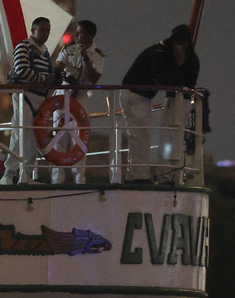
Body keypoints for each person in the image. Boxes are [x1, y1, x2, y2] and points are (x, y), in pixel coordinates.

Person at [120, 24, 200, 182]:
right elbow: (166, 80)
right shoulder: (159, 54)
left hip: (142, 96)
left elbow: (175, 80)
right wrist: (177, 63)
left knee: (146, 135)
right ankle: (140, 176)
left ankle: (142, 175)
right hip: (136, 95)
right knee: (143, 135)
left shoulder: (161, 52)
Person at [1, 17, 59, 185]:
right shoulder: (24, 46)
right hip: (24, 95)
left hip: (39, 97)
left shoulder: (45, 51)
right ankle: (9, 174)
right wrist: (44, 79)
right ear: (33, 30)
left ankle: (24, 174)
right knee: (21, 134)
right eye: (42, 30)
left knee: (33, 136)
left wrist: (50, 83)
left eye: (48, 30)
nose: (46, 33)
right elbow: (21, 70)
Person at [50, 20, 105, 184]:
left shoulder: (98, 55)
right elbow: (58, 66)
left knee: (80, 140)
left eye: (79, 32)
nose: (76, 35)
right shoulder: (68, 49)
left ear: (89, 36)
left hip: (80, 98)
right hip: (63, 96)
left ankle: (80, 178)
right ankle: (57, 179)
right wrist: (60, 71)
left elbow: (94, 78)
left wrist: (85, 58)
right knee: (58, 139)